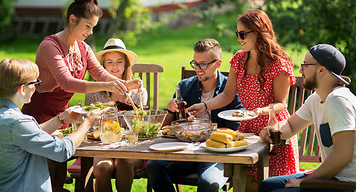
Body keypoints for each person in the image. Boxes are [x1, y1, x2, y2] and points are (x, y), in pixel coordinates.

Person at [21, 0, 141, 190]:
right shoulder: (50, 45)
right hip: (40, 115)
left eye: (93, 27)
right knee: (47, 173)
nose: (90, 31)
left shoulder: (83, 47)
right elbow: (66, 82)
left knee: (59, 171)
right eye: (88, 26)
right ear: (72, 19)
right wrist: (107, 85)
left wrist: (122, 83)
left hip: (65, 116)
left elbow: (99, 73)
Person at [187, 10, 299, 192]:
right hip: (247, 129)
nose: (239, 38)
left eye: (243, 34)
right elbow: (227, 95)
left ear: (260, 33)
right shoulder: (239, 59)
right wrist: (204, 106)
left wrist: (263, 110)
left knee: (271, 188)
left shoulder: (279, 64)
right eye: (237, 33)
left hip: (274, 129)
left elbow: (281, 103)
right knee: (245, 184)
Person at [146, 38, 244, 192]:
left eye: (204, 64)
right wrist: (171, 110)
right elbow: (165, 127)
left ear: (218, 63)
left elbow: (236, 129)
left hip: (216, 154)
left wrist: (207, 133)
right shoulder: (185, 86)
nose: (198, 69)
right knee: (153, 165)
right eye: (195, 63)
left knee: (208, 182)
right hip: (185, 152)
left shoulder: (230, 90)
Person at [0, 58, 103, 192]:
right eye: (35, 83)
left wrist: (61, 119)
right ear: (22, 89)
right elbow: (62, 151)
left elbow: (31, 133)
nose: (36, 87)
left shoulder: (3, 115)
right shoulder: (18, 122)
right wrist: (87, 123)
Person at [259, 44, 354, 192]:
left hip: (346, 184)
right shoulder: (316, 98)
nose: (300, 70)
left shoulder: (338, 100)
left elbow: (343, 155)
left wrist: (305, 182)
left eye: (305, 66)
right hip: (332, 177)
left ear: (321, 70)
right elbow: (290, 127)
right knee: (267, 185)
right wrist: (273, 129)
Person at [85, 38, 147, 192]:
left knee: (124, 161)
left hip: (130, 146)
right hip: (103, 144)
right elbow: (90, 124)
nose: (114, 66)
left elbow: (138, 124)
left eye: (119, 61)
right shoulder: (94, 91)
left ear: (126, 64)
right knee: (102, 168)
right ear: (102, 65)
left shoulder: (138, 91)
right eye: (110, 62)